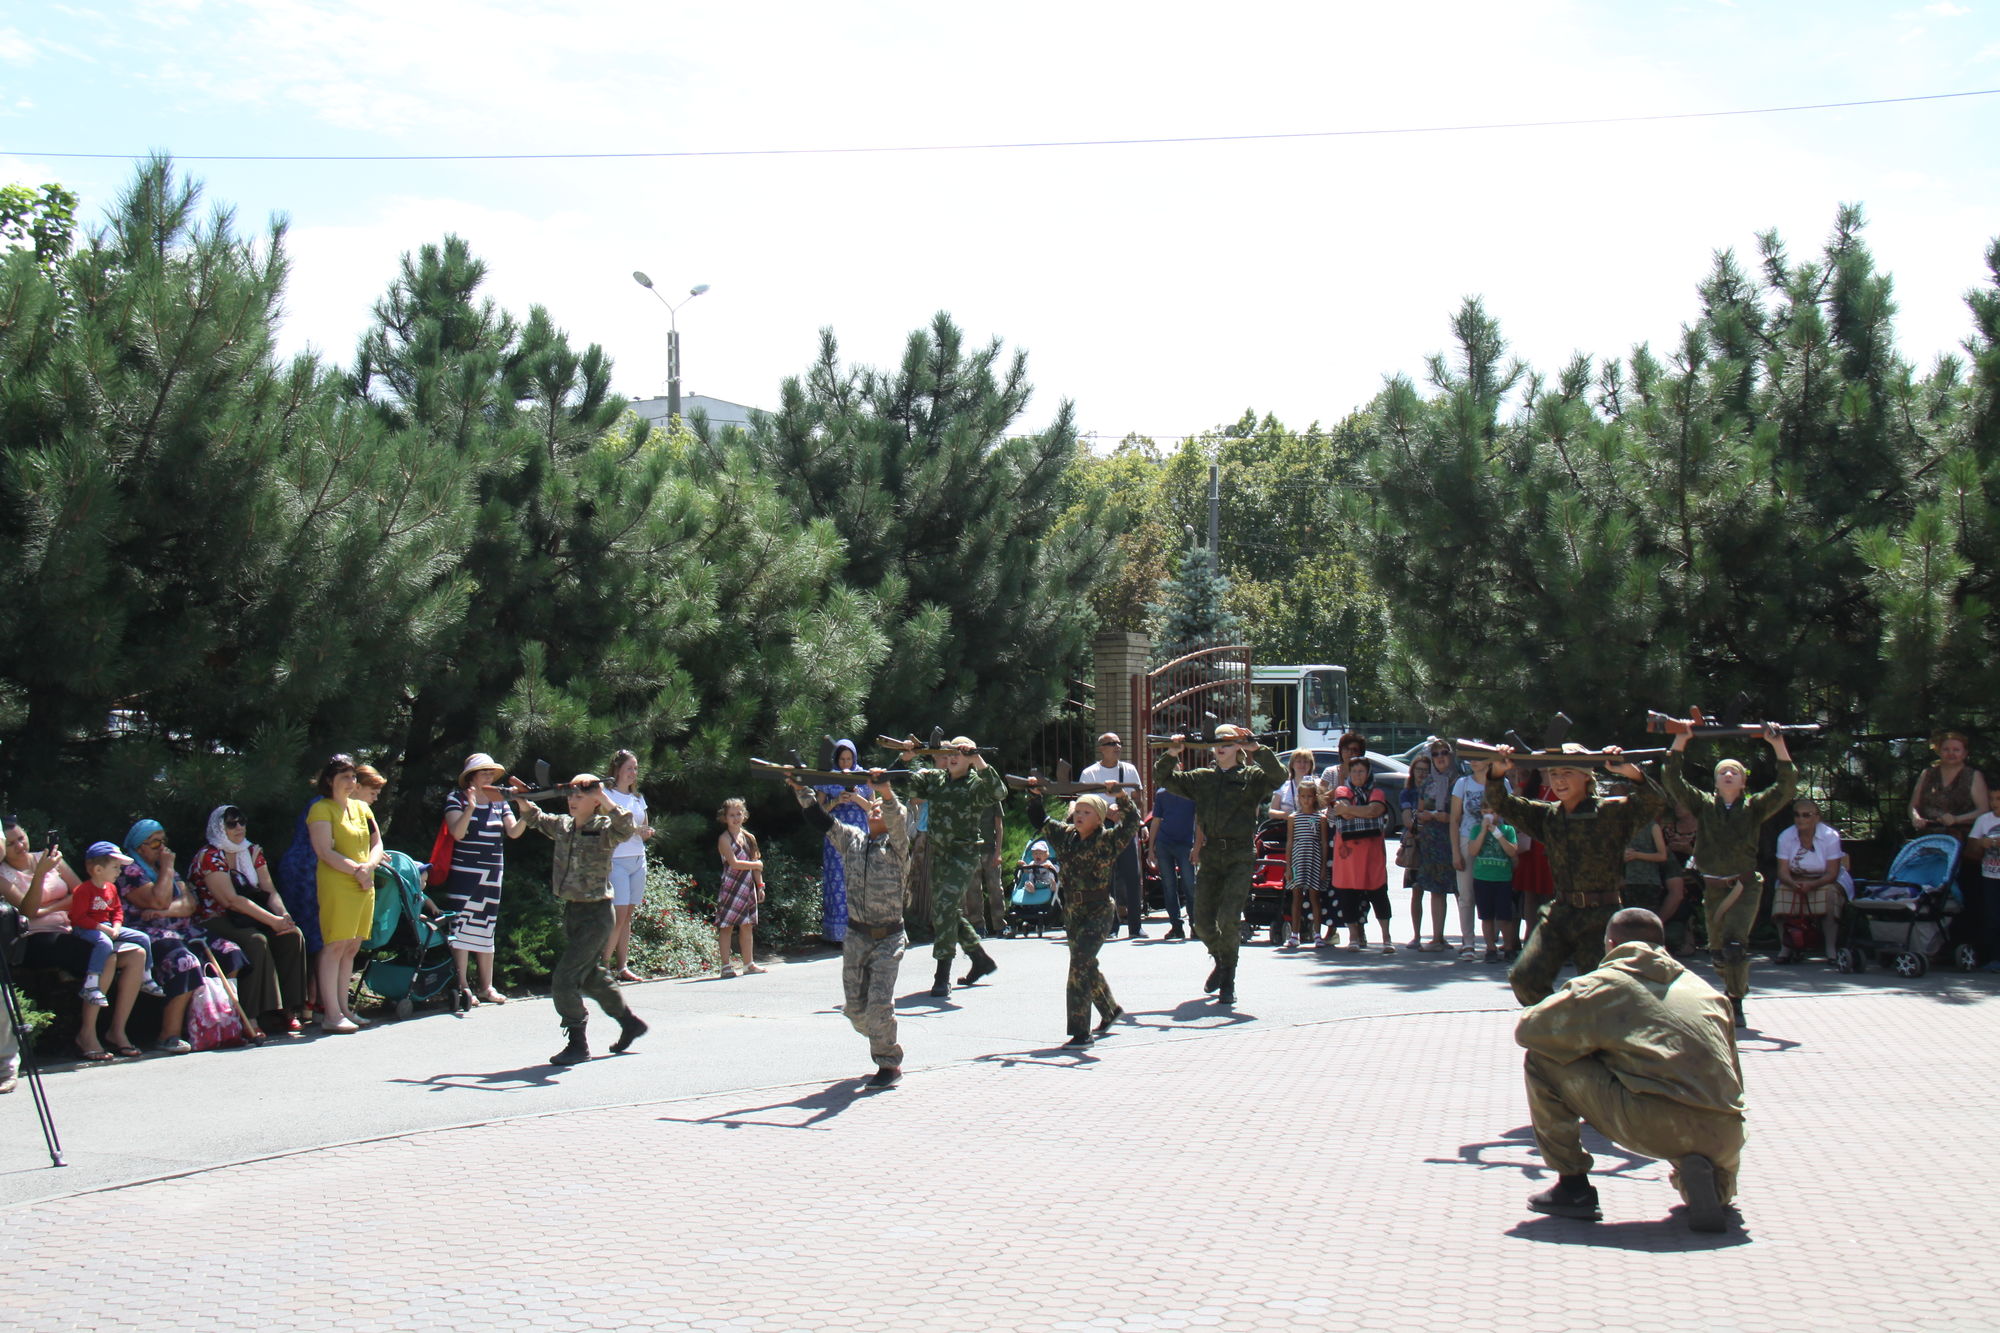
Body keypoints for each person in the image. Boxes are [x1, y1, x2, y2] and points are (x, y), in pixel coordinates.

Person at [1514, 907, 1744, 1233]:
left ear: (1610, 944)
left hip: (1657, 1123)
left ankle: (1573, 1188)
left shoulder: (1605, 984)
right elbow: (1735, 1075)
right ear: (1662, 946)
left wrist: (1595, 1047)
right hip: (1727, 1130)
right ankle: (1715, 1183)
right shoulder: (1707, 992)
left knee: (1542, 1059)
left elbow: (1529, 1030)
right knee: (1689, 1107)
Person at [1484, 746, 1667, 1007]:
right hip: (1561, 912)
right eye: (1554, 773)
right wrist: (1496, 773)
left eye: (1567, 772)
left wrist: (1631, 773)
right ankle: (1561, 1023)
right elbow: (1501, 803)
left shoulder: (1611, 813)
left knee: (1599, 994)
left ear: (1586, 776)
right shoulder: (1549, 815)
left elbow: (1654, 802)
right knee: (1525, 980)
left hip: (1600, 916)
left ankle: (1589, 1029)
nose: (1559, 780)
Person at [507, 772, 648, 1065]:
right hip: (574, 911)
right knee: (592, 976)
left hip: (597, 914)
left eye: (580, 796)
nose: (573, 800)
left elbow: (627, 827)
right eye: (571, 795)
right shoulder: (564, 826)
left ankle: (577, 1043)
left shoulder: (605, 828)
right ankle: (629, 1022)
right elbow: (536, 818)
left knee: (565, 979)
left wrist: (603, 795)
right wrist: (521, 799)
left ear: (594, 801)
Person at [1661, 721, 1795, 1029]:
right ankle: (1733, 985)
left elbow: (1785, 787)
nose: (1729, 774)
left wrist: (1777, 745)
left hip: (1744, 886)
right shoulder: (1704, 806)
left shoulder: (1754, 807)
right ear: (1716, 781)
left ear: (1744, 781)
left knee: (1735, 946)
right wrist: (1681, 740)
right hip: (1713, 888)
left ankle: (1735, 1000)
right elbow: (1672, 779)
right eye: (1723, 771)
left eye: (1735, 771)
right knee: (1719, 952)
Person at [790, 770, 910, 1085]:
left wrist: (886, 792)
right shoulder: (853, 840)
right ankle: (879, 1031)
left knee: (879, 1004)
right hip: (857, 937)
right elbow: (821, 821)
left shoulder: (898, 848)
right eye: (873, 807)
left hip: (889, 939)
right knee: (856, 1011)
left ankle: (889, 1063)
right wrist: (801, 789)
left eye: (881, 809)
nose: (876, 810)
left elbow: (897, 819)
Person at [1156, 726, 1286, 1004]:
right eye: (1217, 742)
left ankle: (1228, 978)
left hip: (1239, 854)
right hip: (1212, 854)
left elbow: (1279, 777)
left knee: (1228, 918)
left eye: (1227, 742)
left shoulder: (1251, 777)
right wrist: (1172, 753)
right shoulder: (1202, 778)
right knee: (1202, 922)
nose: (1221, 747)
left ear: (1238, 746)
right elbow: (1163, 778)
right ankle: (1221, 960)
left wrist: (1257, 750)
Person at [1, 821, 147, 1061]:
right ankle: (87, 1034)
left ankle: (117, 1030)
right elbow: (28, 910)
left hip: (74, 928)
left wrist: (47, 908)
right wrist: (40, 875)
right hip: (36, 938)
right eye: (10, 843)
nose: (19, 846)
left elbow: (83, 893)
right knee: (107, 956)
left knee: (136, 954)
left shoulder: (49, 858)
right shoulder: (3, 875)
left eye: (21, 838)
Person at [118, 819, 250, 1053]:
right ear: (140, 847)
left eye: (163, 841)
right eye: (155, 842)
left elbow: (189, 904)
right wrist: (167, 869)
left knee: (231, 952)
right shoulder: (129, 871)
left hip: (184, 929)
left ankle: (219, 1021)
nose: (163, 848)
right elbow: (157, 899)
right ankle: (169, 1034)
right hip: (150, 933)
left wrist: (164, 911)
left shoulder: (164, 868)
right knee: (185, 962)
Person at [1027, 787, 1141, 1046]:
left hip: (1098, 910)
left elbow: (1132, 823)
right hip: (1073, 912)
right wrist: (1034, 795)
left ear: (1099, 818)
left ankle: (1081, 1032)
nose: (1079, 815)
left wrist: (1121, 797)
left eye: (1087, 812)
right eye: (1078, 811)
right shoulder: (1065, 835)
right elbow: (1039, 819)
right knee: (1086, 964)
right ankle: (1110, 1011)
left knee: (1079, 965)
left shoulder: (1108, 840)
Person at [899, 736, 1004, 997]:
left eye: (960, 753)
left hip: (963, 854)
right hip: (940, 853)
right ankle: (979, 958)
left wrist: (977, 759)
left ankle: (942, 974)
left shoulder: (975, 784)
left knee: (945, 907)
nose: (954, 757)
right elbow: (908, 786)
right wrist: (908, 757)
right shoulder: (936, 779)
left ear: (969, 759)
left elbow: (998, 792)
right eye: (950, 753)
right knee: (945, 910)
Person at [193, 806, 309, 1037]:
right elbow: (230, 900)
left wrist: (283, 916)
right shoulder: (210, 856)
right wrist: (272, 921)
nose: (239, 827)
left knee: (292, 935)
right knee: (255, 941)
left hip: (251, 914)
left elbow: (269, 890)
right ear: (219, 828)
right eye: (231, 824)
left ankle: (288, 1010)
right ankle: (251, 1015)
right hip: (216, 918)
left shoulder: (252, 851)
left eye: (242, 821)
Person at [305, 754, 384, 1034]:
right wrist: (357, 871)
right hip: (338, 884)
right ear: (330, 781)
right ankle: (331, 1013)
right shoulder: (321, 809)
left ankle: (344, 1009)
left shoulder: (363, 809)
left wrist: (369, 867)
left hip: (364, 883)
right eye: (344, 777)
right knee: (335, 945)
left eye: (353, 776)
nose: (351, 782)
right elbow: (324, 851)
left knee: (352, 946)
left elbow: (377, 843)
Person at [441, 753, 525, 1007]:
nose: (489, 776)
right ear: (471, 776)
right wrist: (470, 807)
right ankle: (463, 986)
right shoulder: (455, 799)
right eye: (484, 772)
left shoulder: (500, 801)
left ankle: (487, 986)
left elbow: (514, 832)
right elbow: (457, 833)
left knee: (486, 927)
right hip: (464, 873)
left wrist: (526, 810)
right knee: (460, 927)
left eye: (491, 772)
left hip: (492, 873)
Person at [1909, 731, 1992, 953]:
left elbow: (1983, 809)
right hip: (1930, 839)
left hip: (1960, 840)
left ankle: (1963, 943)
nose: (1951, 753)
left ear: (1965, 753)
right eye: (1946, 749)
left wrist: (1957, 819)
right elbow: (1914, 805)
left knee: (1964, 891)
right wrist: (1916, 818)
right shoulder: (1928, 774)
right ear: (1939, 751)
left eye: (1956, 750)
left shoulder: (1972, 775)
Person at [70, 843, 165, 1008]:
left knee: (143, 938)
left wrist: (116, 926)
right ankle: (91, 984)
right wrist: (103, 928)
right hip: (85, 928)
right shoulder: (83, 890)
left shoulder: (112, 888)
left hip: (107, 926)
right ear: (98, 870)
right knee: (104, 943)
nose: (119, 871)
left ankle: (146, 977)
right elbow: (78, 918)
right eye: (115, 867)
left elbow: (117, 911)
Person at [1080, 732, 1148, 938]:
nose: (1117, 746)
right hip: (1102, 827)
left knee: (1132, 876)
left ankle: (1136, 927)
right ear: (1101, 748)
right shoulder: (1090, 773)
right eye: (1111, 743)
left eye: (1119, 743)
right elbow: (1083, 803)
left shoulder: (1129, 770)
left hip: (1125, 826)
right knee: (1106, 878)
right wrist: (1105, 811)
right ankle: (1111, 927)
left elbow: (1138, 799)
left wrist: (1127, 811)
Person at [1774, 798, 1852, 965]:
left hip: (1825, 879)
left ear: (1816, 817)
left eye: (1806, 815)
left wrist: (1812, 885)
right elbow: (1782, 871)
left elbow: (1832, 872)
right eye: (1797, 815)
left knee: (1829, 895)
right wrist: (1792, 883)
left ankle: (1830, 949)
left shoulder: (1830, 836)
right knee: (1781, 893)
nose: (1800, 819)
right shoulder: (1785, 836)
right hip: (1795, 878)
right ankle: (1785, 947)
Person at [1329, 756, 1394, 953]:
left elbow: (1375, 810)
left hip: (1372, 854)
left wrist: (1351, 809)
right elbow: (1344, 813)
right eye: (1354, 771)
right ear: (1349, 773)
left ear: (1368, 773)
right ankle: (1354, 937)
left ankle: (1386, 938)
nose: (1358, 775)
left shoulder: (1377, 792)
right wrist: (1362, 811)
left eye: (1362, 771)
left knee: (1379, 895)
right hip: (1348, 855)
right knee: (1348, 896)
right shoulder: (1342, 790)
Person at [602, 748, 655, 982]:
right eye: (629, 768)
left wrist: (646, 832)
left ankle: (622, 966)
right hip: (616, 859)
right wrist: (634, 830)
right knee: (618, 914)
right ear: (617, 770)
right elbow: (607, 826)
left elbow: (644, 827)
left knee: (628, 915)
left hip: (637, 858)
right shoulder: (607, 795)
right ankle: (603, 966)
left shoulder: (638, 798)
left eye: (635, 768)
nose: (633, 773)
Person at [1408, 739, 1458, 950]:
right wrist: (1426, 816)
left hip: (1454, 841)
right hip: (1431, 842)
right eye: (1435, 754)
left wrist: (1446, 817)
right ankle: (1438, 938)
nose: (1440, 757)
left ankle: (1469, 941)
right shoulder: (1428, 782)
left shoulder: (1459, 781)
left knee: (1462, 891)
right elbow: (1419, 812)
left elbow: (1464, 814)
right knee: (1436, 890)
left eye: (1444, 752)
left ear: (1451, 755)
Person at [814, 740, 865, 946]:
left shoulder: (863, 776)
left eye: (849, 759)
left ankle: (860, 931)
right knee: (837, 880)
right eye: (842, 759)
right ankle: (836, 934)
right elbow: (817, 811)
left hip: (859, 835)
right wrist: (836, 801)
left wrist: (856, 797)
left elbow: (873, 807)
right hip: (835, 835)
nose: (845, 763)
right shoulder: (828, 778)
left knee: (859, 879)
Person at [1451, 757, 1500, 960]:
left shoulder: (1502, 783)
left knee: (1495, 891)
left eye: (1479, 757)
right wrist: (1455, 851)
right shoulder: (1463, 783)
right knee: (1466, 894)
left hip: (1495, 840)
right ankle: (1468, 942)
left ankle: (1492, 943)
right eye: (1471, 757)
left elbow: (1510, 813)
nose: (1474, 761)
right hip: (1467, 838)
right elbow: (1454, 819)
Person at [713, 797, 766, 978]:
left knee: (747, 925)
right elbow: (734, 863)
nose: (736, 818)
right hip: (730, 886)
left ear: (744, 815)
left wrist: (760, 885)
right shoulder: (724, 839)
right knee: (726, 926)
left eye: (739, 814)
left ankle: (748, 964)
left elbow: (756, 864)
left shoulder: (749, 838)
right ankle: (725, 966)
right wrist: (756, 865)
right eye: (731, 815)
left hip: (747, 886)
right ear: (725, 817)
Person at [1147, 781, 1199, 940]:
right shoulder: (1161, 794)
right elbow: (1156, 820)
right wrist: (1151, 848)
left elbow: (1199, 820)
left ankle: (1196, 926)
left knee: (1190, 886)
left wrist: (1197, 847)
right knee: (1169, 886)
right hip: (1164, 844)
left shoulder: (1192, 791)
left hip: (1186, 845)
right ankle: (1176, 926)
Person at [1465, 810, 1518, 963]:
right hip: (1483, 878)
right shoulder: (1476, 829)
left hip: (1502, 879)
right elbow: (1473, 851)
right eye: (1486, 811)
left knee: (1505, 917)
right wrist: (1483, 831)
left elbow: (1512, 851)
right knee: (1486, 916)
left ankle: (1509, 948)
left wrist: (1498, 833)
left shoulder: (1508, 830)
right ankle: (1490, 948)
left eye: (1493, 812)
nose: (1489, 815)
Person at [1283, 779, 1326, 950]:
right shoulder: (1293, 818)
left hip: (1314, 858)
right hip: (1297, 859)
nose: (1306, 800)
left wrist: (1323, 867)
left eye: (1309, 796)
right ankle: (1295, 935)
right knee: (1297, 896)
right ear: (1298, 797)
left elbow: (1323, 843)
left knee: (1315, 896)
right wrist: (1288, 867)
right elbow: (1290, 842)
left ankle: (1317, 934)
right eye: (1303, 796)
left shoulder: (1320, 818)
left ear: (1315, 797)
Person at [1969, 786, 2000, 972]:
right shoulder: (1984, 820)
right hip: (1990, 876)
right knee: (1993, 918)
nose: (1995, 803)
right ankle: (1994, 958)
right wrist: (1981, 843)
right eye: (1992, 798)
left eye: (1999, 798)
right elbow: (1971, 849)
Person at [1269, 748, 1322, 820]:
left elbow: (1326, 809)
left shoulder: (1319, 784)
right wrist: (1290, 816)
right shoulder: (1283, 785)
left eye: (1306, 762)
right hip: (1287, 824)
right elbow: (1271, 813)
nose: (1302, 764)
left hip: (1313, 824)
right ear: (1292, 764)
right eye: (1299, 761)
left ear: (1311, 764)